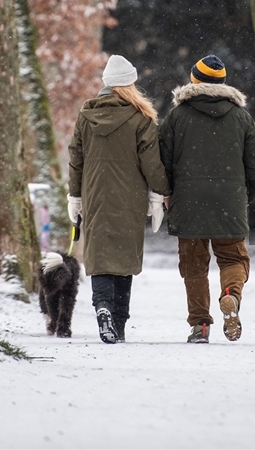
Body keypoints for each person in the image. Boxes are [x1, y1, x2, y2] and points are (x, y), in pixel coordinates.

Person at [159, 55, 255, 344]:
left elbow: (163, 160)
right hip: (229, 199)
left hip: (187, 200)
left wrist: (167, 193)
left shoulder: (177, 117)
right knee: (233, 257)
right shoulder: (241, 116)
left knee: (193, 265)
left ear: (194, 80)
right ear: (223, 83)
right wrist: (246, 194)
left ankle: (200, 326)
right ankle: (230, 294)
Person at [68, 55, 170, 344]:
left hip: (95, 195)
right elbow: (152, 163)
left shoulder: (85, 116)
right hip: (130, 197)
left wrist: (74, 195)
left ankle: (102, 308)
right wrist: (162, 191)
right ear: (130, 85)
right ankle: (120, 322)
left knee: (99, 257)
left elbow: (76, 159)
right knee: (125, 260)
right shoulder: (141, 118)